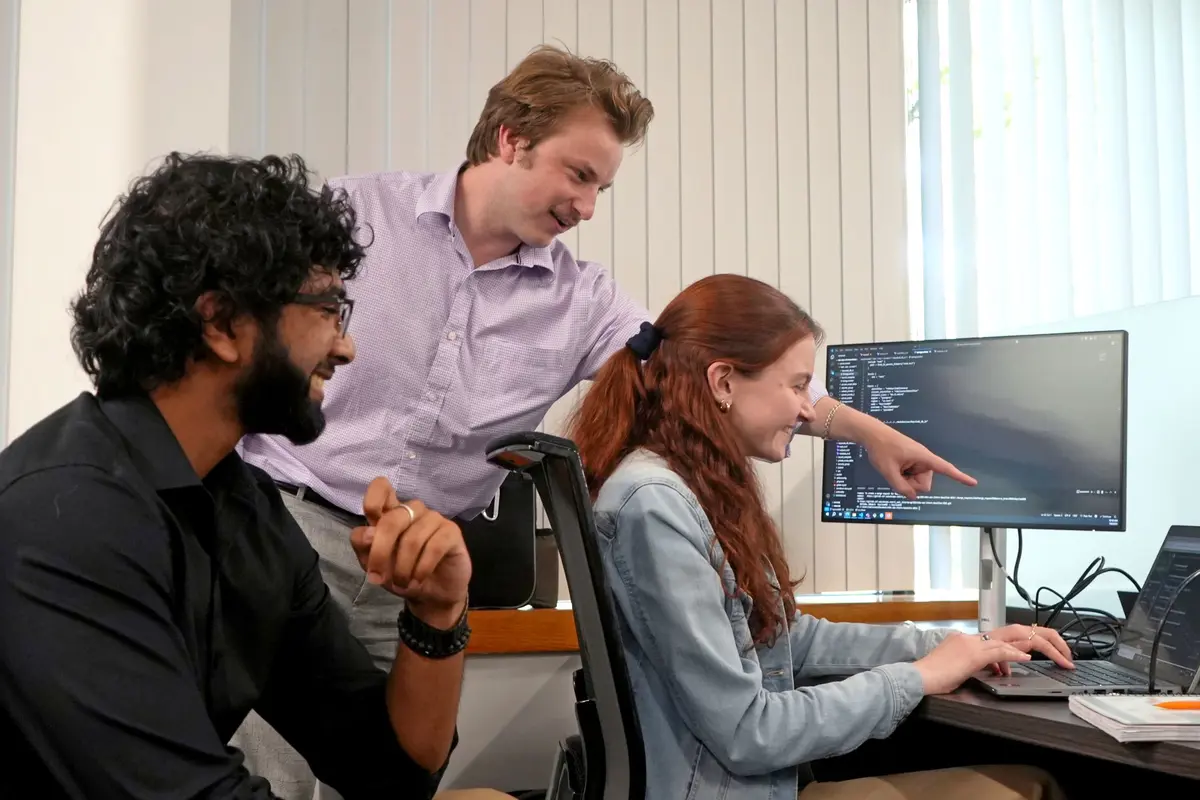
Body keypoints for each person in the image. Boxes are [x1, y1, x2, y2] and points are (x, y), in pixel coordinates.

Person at [233, 44, 977, 794]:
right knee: (266, 775)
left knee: (384, 778)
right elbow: (234, 339)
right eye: (579, 175)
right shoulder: (355, 216)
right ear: (511, 140)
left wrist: (865, 430)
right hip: (283, 528)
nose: (587, 207)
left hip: (414, 572)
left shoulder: (582, 300)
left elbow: (709, 375)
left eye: (603, 188)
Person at [0, 152, 511, 800]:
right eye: (329, 311)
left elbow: (390, 770)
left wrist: (437, 613)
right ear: (220, 324)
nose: (347, 347)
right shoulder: (66, 517)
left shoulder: (240, 508)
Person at [564, 273, 1075, 800]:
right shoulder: (654, 503)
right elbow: (748, 731)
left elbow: (789, 642)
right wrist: (920, 677)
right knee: (1034, 787)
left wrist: (954, 648)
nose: (809, 410)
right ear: (723, 382)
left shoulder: (693, 486)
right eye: (796, 385)